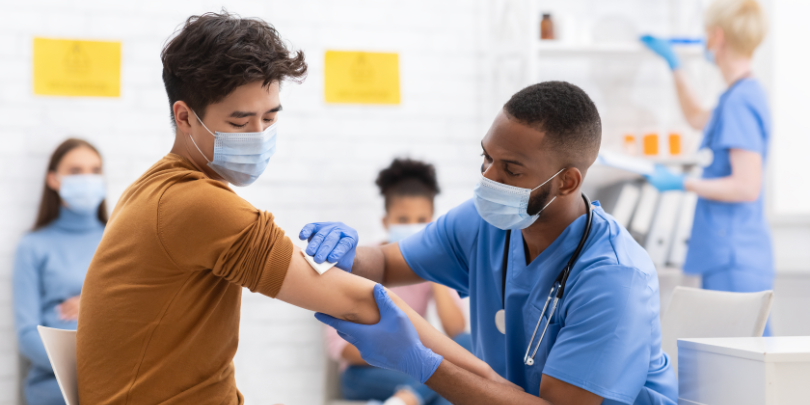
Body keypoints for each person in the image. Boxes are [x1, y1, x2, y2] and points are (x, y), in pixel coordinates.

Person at [75, 12, 510, 405]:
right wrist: (494, 385)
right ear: (185, 116)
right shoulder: (195, 204)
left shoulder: (153, 189)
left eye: (270, 117)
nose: (259, 134)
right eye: (240, 122)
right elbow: (362, 300)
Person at [303, 81, 678, 404]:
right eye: (486, 157)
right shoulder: (483, 223)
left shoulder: (614, 278)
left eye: (511, 170)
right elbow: (385, 264)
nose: (488, 178)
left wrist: (422, 363)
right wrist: (349, 254)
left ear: (567, 182)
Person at [641, 0, 773, 334]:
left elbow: (746, 186)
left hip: (733, 253)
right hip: (730, 250)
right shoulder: (737, 94)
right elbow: (698, 117)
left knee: (743, 359)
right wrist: (674, 65)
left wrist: (682, 183)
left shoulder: (741, 101)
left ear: (717, 36)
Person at [327, 158, 471, 405]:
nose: (413, 227)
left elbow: (456, 332)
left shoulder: (431, 266)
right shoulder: (360, 264)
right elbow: (340, 348)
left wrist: (433, 272)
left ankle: (404, 399)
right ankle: (410, 396)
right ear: (386, 222)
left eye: (421, 220)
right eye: (403, 220)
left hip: (414, 368)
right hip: (364, 373)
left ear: (432, 223)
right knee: (449, 384)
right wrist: (401, 354)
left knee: (465, 350)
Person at [13, 138, 107, 405]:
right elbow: (27, 334)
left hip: (114, 382)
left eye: (95, 170)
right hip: (52, 389)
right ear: (53, 180)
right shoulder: (33, 246)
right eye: (75, 171)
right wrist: (84, 366)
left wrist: (91, 303)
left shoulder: (120, 241)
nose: (87, 179)